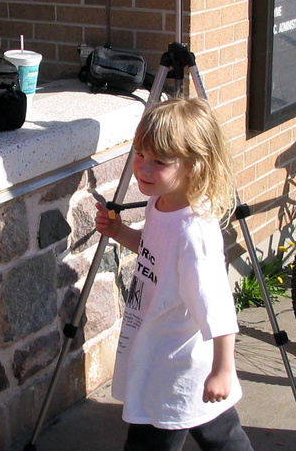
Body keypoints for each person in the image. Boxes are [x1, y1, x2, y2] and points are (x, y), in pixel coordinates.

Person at [95, 97, 254, 451]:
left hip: (175, 366)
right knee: (221, 435)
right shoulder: (161, 202)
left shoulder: (193, 235)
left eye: (159, 162)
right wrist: (119, 233)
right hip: (162, 349)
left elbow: (218, 308)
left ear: (194, 166)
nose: (143, 169)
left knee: (151, 437)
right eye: (139, 154)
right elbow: (155, 252)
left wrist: (223, 369)